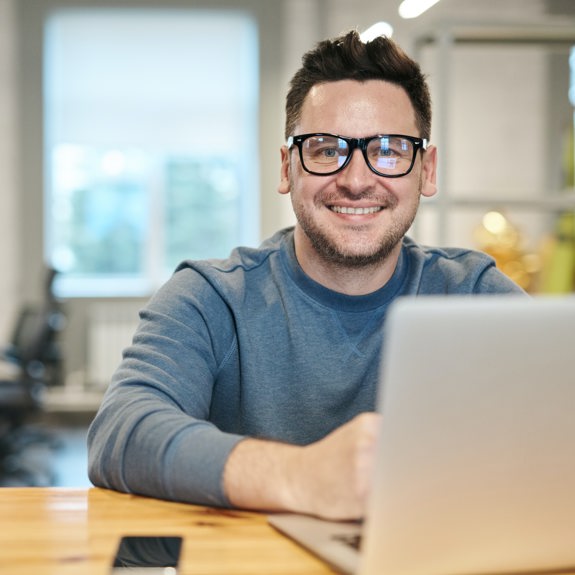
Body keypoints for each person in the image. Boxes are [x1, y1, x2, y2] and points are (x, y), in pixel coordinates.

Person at [87, 30, 524, 521]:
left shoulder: (475, 296)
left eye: (388, 150)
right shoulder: (212, 298)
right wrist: (301, 476)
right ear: (286, 167)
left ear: (426, 169)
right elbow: (122, 433)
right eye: (324, 149)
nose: (357, 180)